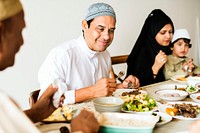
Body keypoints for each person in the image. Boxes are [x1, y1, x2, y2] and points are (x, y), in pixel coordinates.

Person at [0, 0, 99, 132]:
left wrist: (35, 113)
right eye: (19, 31)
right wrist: (80, 131)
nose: (21, 41)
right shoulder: (62, 54)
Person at [38, 2, 140, 104]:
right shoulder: (62, 54)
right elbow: (49, 101)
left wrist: (123, 87)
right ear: (85, 25)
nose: (107, 36)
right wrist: (92, 91)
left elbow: (102, 93)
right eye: (100, 29)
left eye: (111, 30)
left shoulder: (105, 55)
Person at [126, 9, 174, 86]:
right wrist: (155, 67)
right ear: (152, 33)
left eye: (171, 32)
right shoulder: (141, 53)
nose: (168, 36)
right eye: (163, 32)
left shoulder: (170, 49)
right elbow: (135, 85)